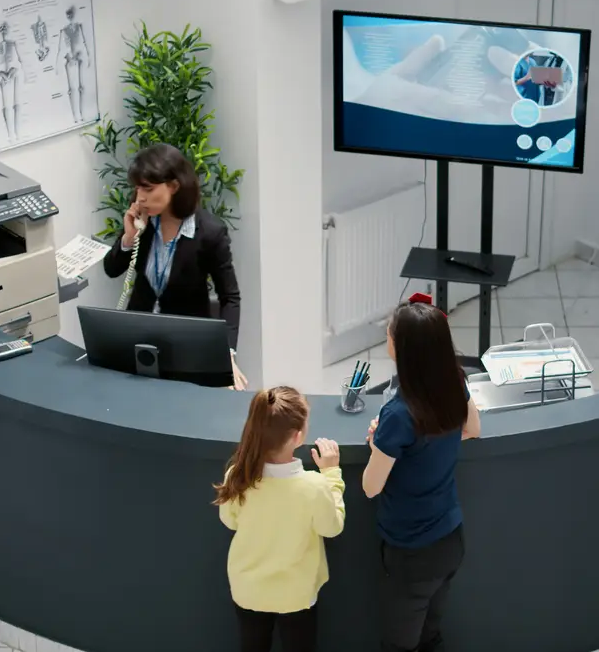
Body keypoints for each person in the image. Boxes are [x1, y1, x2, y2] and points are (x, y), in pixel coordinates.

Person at [363, 300, 481, 652]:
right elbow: (472, 428)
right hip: (450, 541)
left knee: (399, 645)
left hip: (411, 553)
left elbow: (370, 487)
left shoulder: (398, 414)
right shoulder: (453, 383)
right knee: (431, 637)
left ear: (401, 349)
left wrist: (378, 443)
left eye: (389, 334)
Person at [102, 143, 247, 389]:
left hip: (187, 348)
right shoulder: (143, 222)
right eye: (137, 189)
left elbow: (230, 297)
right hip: (140, 341)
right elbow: (112, 269)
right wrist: (128, 238)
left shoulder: (209, 233)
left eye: (148, 188)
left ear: (174, 186)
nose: (140, 198)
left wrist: (227, 353)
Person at [214, 387, 346, 652]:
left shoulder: (237, 477)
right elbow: (332, 527)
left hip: (248, 590)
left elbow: (230, 521)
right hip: (296, 596)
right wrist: (331, 473)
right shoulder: (314, 486)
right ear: (298, 436)